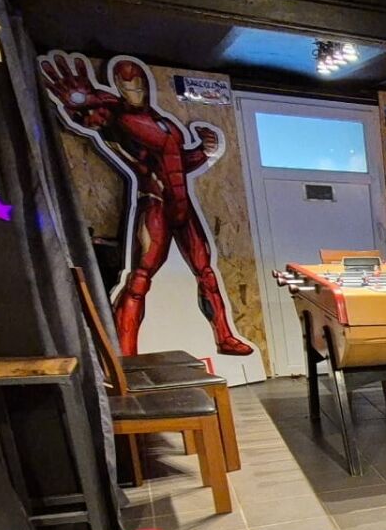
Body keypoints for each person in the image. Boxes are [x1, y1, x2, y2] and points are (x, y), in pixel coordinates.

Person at [39, 53, 253, 357]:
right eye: (127, 86)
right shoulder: (116, 117)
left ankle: (225, 336)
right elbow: (91, 119)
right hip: (155, 202)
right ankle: (125, 351)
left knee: (205, 272)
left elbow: (176, 164)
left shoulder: (165, 123)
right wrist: (81, 102)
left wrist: (204, 152)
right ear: (119, 86)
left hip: (181, 204)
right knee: (140, 277)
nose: (134, 91)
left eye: (137, 85)